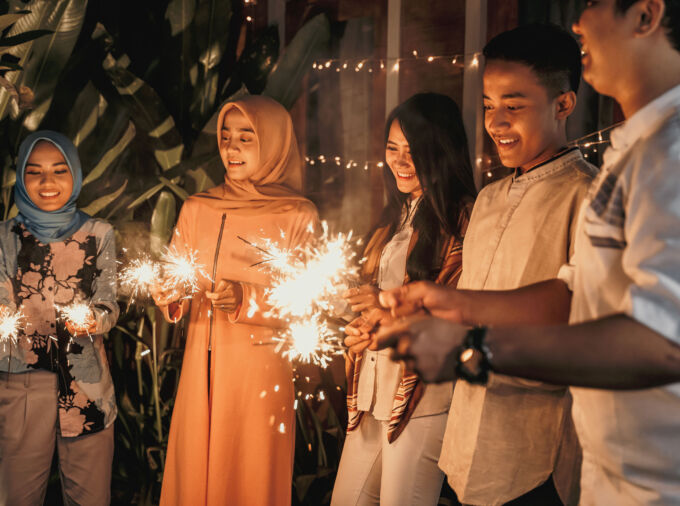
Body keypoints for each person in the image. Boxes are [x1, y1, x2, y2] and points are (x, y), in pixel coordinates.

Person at [374, 0, 680, 504]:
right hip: (471, 445)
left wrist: (474, 347)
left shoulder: (629, 168)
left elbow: (654, 337)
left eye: (512, 105)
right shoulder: (627, 155)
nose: (578, 21)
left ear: (646, 16)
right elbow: (575, 290)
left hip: (552, 459)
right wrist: (442, 302)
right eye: (489, 105)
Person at [153, 95, 319, 506]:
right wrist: (170, 294)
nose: (231, 147)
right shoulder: (197, 208)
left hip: (258, 375)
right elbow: (177, 279)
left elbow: (307, 302)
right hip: (200, 370)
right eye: (226, 136)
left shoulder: (298, 214)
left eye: (247, 137)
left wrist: (245, 298)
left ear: (275, 143)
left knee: (249, 475)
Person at [331, 93, 476, 506]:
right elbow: (369, 297)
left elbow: (460, 306)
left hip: (422, 398)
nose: (400, 161)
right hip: (370, 392)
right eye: (392, 149)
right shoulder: (392, 217)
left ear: (441, 151)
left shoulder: (463, 219)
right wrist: (359, 320)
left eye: (413, 152)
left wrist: (385, 304)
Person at [0, 131, 119, 505]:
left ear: (75, 175)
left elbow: (109, 305)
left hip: (88, 387)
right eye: (34, 172)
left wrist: (93, 320)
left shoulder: (99, 234)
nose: (47, 182)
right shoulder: (5, 236)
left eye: (59, 170)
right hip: (20, 387)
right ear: (21, 176)